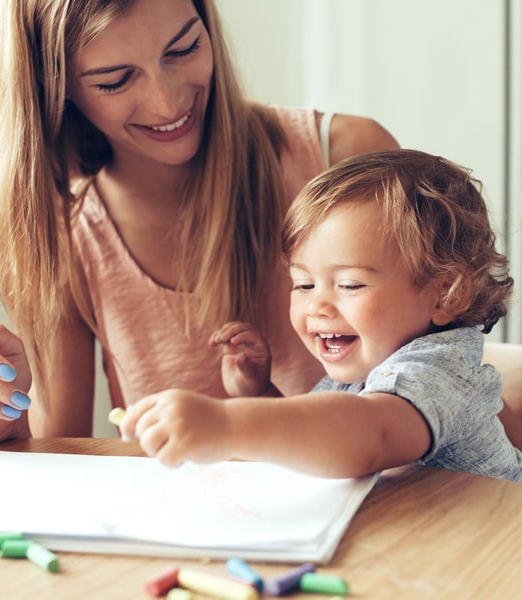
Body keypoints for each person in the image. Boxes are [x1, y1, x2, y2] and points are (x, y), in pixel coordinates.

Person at [0, 0, 400, 443]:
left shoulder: (346, 156)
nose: (167, 103)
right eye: (114, 80)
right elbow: (59, 451)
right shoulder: (69, 235)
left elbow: (437, 383)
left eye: (185, 47)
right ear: (57, 89)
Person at [120, 149, 522, 483]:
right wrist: (262, 395)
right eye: (304, 284)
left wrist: (230, 424)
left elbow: (370, 436)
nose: (317, 307)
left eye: (349, 285)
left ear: (445, 293)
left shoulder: (439, 370)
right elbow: (326, 443)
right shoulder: (362, 368)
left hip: (489, 551)